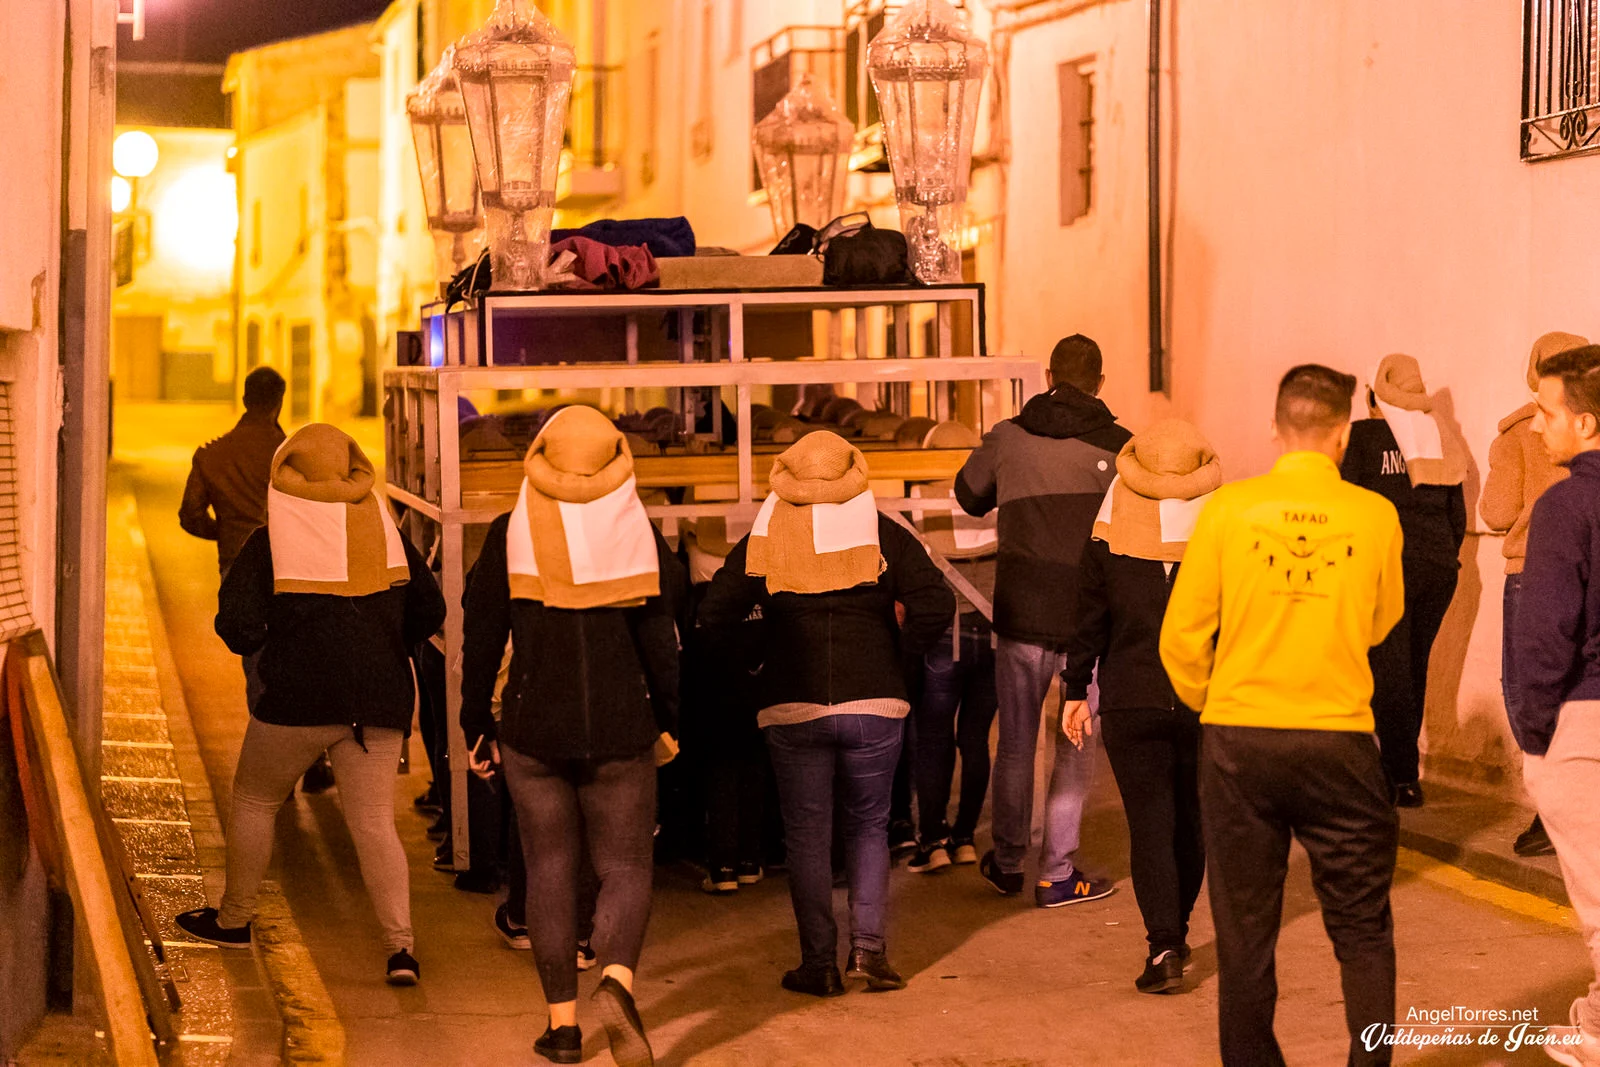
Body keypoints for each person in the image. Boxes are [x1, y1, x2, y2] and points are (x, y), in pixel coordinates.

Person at [1160, 365, 1404, 1066]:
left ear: (1275, 428)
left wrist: (1217, 702)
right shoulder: (1375, 515)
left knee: (1244, 929)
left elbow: (1181, 635)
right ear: (1340, 436)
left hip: (1240, 738)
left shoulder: (1229, 511)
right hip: (1339, 737)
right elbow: (1382, 618)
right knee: (1361, 927)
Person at [174, 424, 444, 987]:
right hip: (378, 700)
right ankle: (402, 951)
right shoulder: (388, 534)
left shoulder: (273, 539)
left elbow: (238, 627)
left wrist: (278, 634)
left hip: (297, 699)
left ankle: (233, 919)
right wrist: (385, 641)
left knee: (253, 798)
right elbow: (431, 611)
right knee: (373, 823)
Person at [459, 406, 683, 1067]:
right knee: (625, 865)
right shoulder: (636, 530)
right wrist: (667, 716)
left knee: (550, 869)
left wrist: (477, 721)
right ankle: (616, 981)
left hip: (532, 724)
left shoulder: (509, 532)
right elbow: (661, 640)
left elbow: (481, 635)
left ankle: (562, 1027)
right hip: (619, 725)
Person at [698, 431, 953, 997]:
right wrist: (897, 658)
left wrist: (757, 661)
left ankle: (819, 964)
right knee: (869, 827)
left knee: (807, 837)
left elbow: (714, 615)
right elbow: (937, 603)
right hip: (875, 705)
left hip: (792, 706)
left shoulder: (763, 536)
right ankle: (869, 952)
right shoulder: (884, 531)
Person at [954, 334, 1124, 906]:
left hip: (1021, 613)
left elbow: (969, 496)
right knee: (1077, 741)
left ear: (1049, 375)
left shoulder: (1009, 436)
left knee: (1017, 743)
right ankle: (1057, 872)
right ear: (1101, 381)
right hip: (1088, 623)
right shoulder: (1120, 449)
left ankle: (1006, 863)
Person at [1061, 419, 1221, 994]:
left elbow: (1089, 618)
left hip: (1131, 698)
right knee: (1194, 821)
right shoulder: (1224, 531)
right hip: (1208, 699)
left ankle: (1164, 948)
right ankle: (1175, 930)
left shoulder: (1109, 534)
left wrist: (1075, 691)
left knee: (1151, 824)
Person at [1511, 343, 1600, 1065]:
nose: (1538, 427)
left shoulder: (1567, 505)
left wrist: (1535, 736)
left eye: (1547, 412)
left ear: (1588, 422)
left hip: (1586, 719)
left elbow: (1543, 634)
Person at [1339, 354, 1466, 806]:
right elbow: (1458, 516)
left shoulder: (1364, 436)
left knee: (1388, 671)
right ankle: (1401, 773)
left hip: (1386, 568)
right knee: (1413, 667)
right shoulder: (1441, 435)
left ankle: (1397, 778)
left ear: (1373, 396)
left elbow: (1344, 504)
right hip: (1437, 570)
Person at [1483, 331, 1588, 857]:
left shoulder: (1520, 433)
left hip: (1529, 572)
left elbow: (1495, 513)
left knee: (1531, 690)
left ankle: (1550, 812)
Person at [905, 421, 999, 874]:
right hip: (995, 633)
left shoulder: (918, 503)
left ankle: (933, 840)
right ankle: (965, 838)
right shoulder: (994, 500)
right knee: (976, 739)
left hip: (946, 635)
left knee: (934, 739)